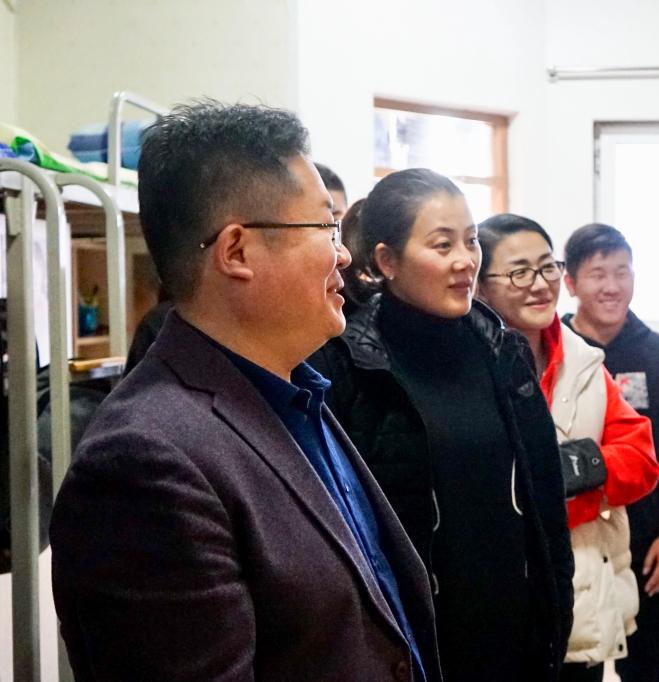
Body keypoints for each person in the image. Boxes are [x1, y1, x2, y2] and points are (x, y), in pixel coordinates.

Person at [49, 101, 441, 681]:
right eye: (325, 227)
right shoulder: (144, 463)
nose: (343, 253)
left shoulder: (296, 393)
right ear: (236, 252)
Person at [308, 168, 574, 682]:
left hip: (513, 641)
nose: (465, 260)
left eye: (471, 240)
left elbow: (546, 504)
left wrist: (554, 621)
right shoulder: (347, 365)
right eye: (442, 244)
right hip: (410, 647)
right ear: (387, 261)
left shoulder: (503, 352)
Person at [476, 213, 659, 682]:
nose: (540, 285)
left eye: (547, 267)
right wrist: (586, 484)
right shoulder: (466, 372)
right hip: (500, 612)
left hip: (583, 608)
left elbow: (642, 461)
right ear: (480, 287)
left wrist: (567, 476)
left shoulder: (584, 363)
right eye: (519, 272)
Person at [562, 223, 659, 682]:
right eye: (598, 274)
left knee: (648, 670)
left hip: (646, 547)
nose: (612, 286)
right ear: (570, 283)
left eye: (622, 272)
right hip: (573, 548)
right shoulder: (553, 351)